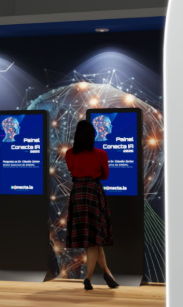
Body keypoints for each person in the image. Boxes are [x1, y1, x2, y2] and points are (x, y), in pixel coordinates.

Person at [65, 120, 119, 291]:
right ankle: (88, 278)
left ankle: (107, 272)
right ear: (92, 136)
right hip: (94, 192)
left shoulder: (69, 153)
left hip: (78, 192)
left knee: (94, 239)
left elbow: (72, 170)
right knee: (94, 238)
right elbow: (105, 175)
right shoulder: (101, 154)